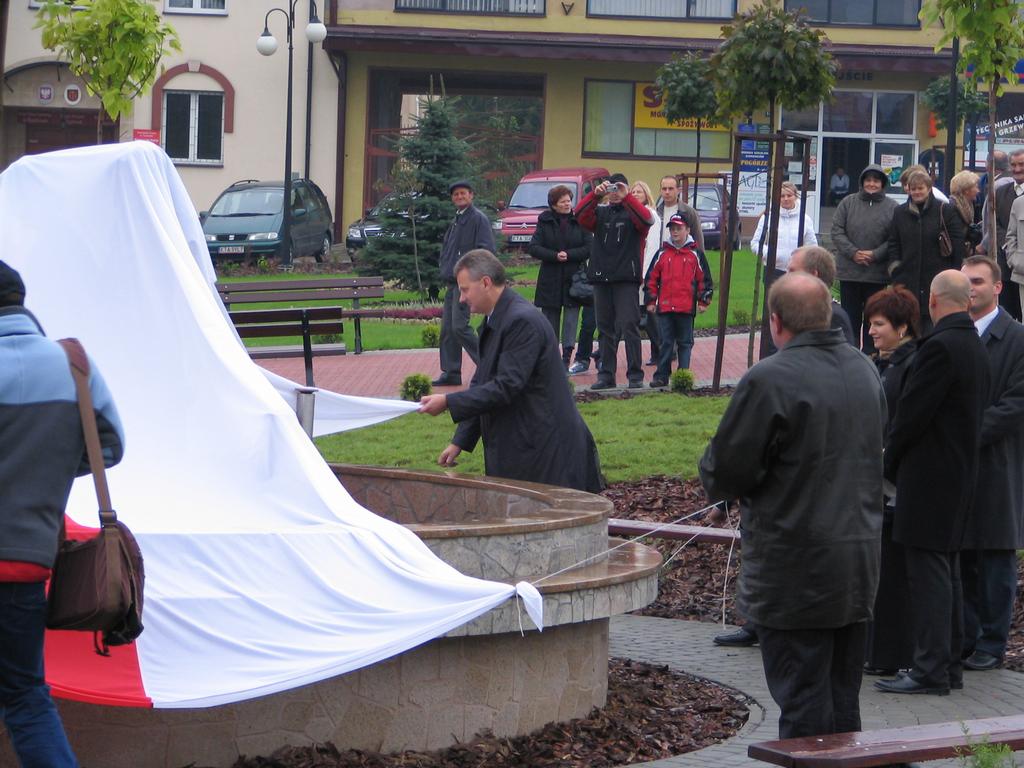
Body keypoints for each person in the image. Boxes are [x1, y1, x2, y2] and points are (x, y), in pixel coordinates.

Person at [699, 272, 886, 739]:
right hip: (857, 561)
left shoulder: (770, 378)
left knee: (804, 704)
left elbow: (728, 469)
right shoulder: (864, 368)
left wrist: (722, 483)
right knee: (841, 700)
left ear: (776, 322)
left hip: (794, 566)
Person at [0, 260, 125, 767]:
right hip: (26, 563)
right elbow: (110, 447)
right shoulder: (73, 363)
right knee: (26, 698)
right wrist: (45, 471)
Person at [876, 270, 989, 696]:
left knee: (929, 575)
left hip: (929, 478)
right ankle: (948, 666)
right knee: (948, 571)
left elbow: (911, 415)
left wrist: (888, 461)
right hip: (959, 473)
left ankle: (929, 669)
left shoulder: (940, 347)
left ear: (934, 302)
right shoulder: (973, 344)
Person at [418, 250, 603, 492]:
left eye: (465, 290)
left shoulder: (521, 322)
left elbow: (505, 387)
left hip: (547, 452)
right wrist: (460, 441)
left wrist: (448, 402)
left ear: (486, 283)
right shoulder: (496, 319)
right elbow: (483, 382)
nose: (461, 298)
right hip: (527, 445)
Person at [959, 256, 1024, 672]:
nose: (971, 288)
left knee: (996, 556)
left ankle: (991, 642)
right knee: (963, 555)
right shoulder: (953, 334)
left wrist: (964, 433)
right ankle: (966, 637)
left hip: (999, 464)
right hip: (958, 468)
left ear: (998, 287)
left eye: (979, 281)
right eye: (965, 281)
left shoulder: (1017, 339)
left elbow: (1016, 404)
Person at [862, 285, 921, 676]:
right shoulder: (879, 364)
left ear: (902, 327)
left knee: (893, 575)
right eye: (870, 324)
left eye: (879, 324)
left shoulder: (910, 365)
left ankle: (890, 654)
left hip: (894, 486)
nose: (871, 331)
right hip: (875, 483)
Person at [576, 173, 654, 390]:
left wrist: (627, 197)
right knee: (605, 328)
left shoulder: (634, 214)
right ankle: (606, 375)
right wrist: (594, 195)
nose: (614, 193)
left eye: (618, 188)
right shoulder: (601, 213)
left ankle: (635, 375)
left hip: (626, 279)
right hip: (601, 278)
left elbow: (646, 221)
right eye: (611, 189)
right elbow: (580, 216)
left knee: (629, 325)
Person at [831, 164, 899, 353]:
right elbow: (837, 231)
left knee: (874, 318)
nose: (872, 184)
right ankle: (849, 354)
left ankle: (871, 355)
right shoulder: (848, 202)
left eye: (876, 180)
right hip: (850, 273)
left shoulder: (892, 207)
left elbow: (894, 237)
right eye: (868, 180)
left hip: (876, 275)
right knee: (850, 318)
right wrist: (853, 252)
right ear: (862, 182)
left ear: (882, 183)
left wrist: (875, 254)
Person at [434, 179, 496, 387]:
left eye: (463, 193)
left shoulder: (478, 219)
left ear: (471, 195)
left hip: (467, 283)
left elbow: (486, 250)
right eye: (456, 194)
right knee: (448, 329)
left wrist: (473, 276)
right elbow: (449, 250)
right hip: (453, 282)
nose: (459, 197)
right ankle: (451, 372)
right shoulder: (457, 220)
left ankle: (489, 365)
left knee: (460, 327)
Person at [888, 169, 966, 332]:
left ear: (929, 188)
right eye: (913, 188)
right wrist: (895, 269)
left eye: (920, 188)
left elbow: (957, 243)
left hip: (938, 278)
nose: (917, 192)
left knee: (934, 328)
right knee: (909, 329)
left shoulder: (945, 210)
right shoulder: (899, 212)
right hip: (907, 280)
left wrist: (954, 272)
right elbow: (894, 243)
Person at [528, 184, 592, 369]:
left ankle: (566, 357)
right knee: (550, 321)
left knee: (571, 320)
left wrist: (569, 255)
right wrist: (554, 256)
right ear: (554, 204)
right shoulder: (545, 221)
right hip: (551, 278)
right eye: (563, 201)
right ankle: (551, 358)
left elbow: (589, 247)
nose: (567, 204)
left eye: (569, 200)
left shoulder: (579, 220)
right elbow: (534, 247)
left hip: (574, 279)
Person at [645, 213, 712, 387]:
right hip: (665, 308)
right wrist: (651, 300)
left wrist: (703, 300)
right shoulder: (662, 253)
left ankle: (683, 376)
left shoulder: (695, 254)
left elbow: (704, 279)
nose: (675, 232)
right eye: (672, 229)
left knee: (685, 343)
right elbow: (651, 278)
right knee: (665, 343)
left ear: (687, 230)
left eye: (679, 228)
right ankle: (661, 376)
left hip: (686, 308)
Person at [982, 148, 1024, 321]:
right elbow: (994, 223)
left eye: (1021, 164)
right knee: (1008, 315)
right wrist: (1009, 249)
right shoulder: (1001, 192)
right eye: (1013, 165)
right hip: (1006, 266)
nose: (1017, 169)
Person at [788, 246, 856, 345]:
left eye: (792, 271)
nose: (786, 277)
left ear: (813, 275)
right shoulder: (796, 311)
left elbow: (839, 354)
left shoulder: (831, 317)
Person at [749, 181, 818, 279]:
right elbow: (755, 243)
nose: (786, 199)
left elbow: (812, 246)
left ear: (795, 197)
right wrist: (770, 254)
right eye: (782, 196)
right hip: (773, 269)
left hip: (798, 271)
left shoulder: (805, 219)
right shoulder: (767, 218)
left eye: (789, 195)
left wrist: (802, 259)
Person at [631, 180, 663, 366]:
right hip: (633, 270)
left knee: (650, 313)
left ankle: (661, 350)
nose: (635, 194)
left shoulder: (650, 215)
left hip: (645, 273)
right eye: (633, 192)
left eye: (639, 192)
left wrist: (645, 274)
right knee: (642, 312)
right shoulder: (632, 214)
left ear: (646, 195)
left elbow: (652, 247)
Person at [656, 175, 704, 252]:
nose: (667, 192)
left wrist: (699, 257)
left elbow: (698, 239)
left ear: (679, 190)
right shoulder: (656, 213)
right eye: (664, 189)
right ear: (660, 191)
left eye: (671, 189)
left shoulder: (689, 212)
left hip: (683, 256)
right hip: (661, 256)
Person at [950, 170, 983, 260]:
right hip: (955, 256)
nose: (978, 191)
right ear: (966, 190)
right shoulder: (952, 207)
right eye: (976, 187)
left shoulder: (972, 205)